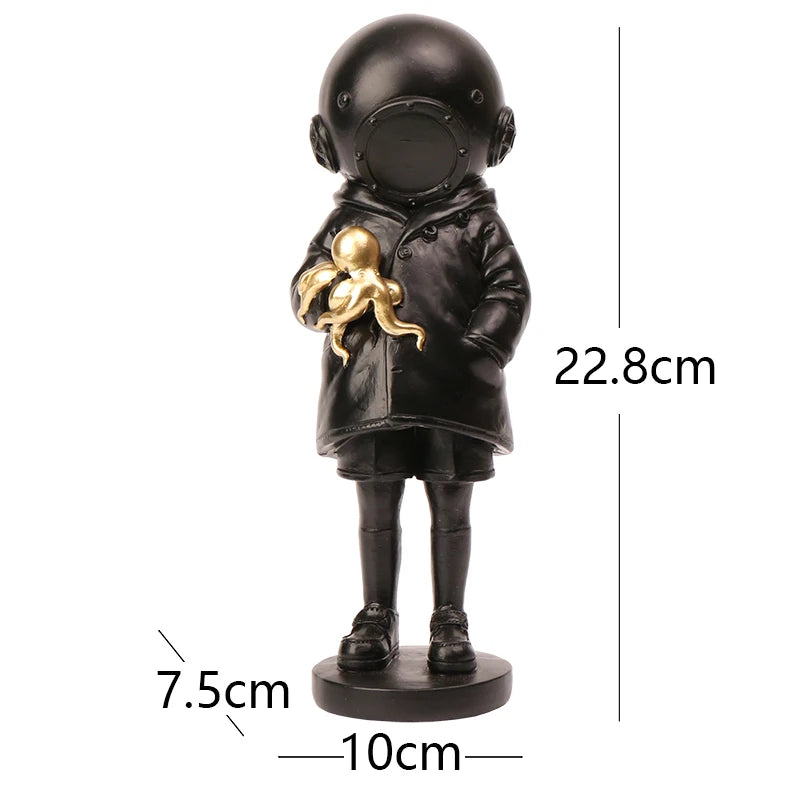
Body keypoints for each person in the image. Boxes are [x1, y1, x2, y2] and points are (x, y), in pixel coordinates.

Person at [291, 15, 530, 674]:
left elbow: (510, 291)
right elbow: (306, 289)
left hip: (456, 393)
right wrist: (327, 294)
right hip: (372, 391)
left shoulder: (477, 223)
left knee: (452, 506)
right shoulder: (349, 222)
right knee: (377, 504)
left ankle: (450, 617)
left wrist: (480, 347)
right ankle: (377, 613)